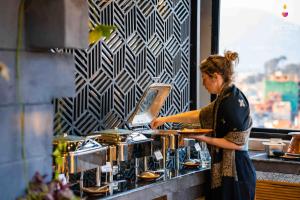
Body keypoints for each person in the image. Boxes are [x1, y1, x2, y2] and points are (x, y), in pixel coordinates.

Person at [150, 51, 256, 200]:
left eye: (204, 78)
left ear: (216, 76)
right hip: (233, 171)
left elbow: (237, 142)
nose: (203, 83)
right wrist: (164, 119)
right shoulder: (227, 96)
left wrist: (202, 137)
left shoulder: (230, 102)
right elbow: (199, 115)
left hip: (236, 173)